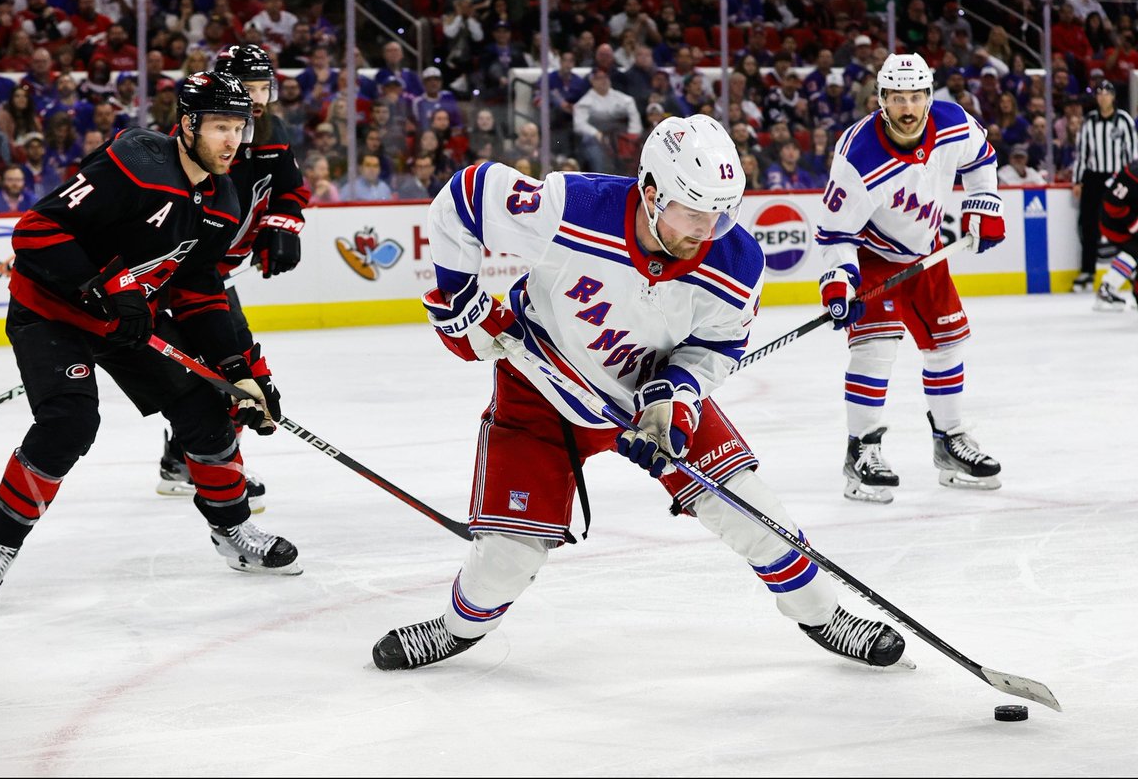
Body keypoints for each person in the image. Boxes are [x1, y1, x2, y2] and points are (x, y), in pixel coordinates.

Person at [370, 115, 910, 672]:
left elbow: (713, 350)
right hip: (539, 390)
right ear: (651, 192)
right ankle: (457, 628)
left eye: (721, 212)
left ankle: (824, 615)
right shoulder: (571, 208)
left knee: (751, 509)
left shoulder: (738, 261)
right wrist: (460, 293)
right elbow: (464, 197)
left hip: (643, 395)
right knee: (505, 560)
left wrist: (671, 403)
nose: (707, 228)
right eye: (693, 211)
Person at [0, 71, 301, 605]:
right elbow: (35, 231)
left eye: (240, 127)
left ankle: (232, 532)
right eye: (219, 127)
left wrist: (238, 369)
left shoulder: (222, 200)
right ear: (187, 124)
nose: (233, 141)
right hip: (51, 310)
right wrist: (98, 292)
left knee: (208, 412)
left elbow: (200, 291)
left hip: (128, 320)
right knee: (69, 422)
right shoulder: (134, 162)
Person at [814, 54, 1005, 504]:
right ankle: (862, 450)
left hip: (927, 252)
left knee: (947, 344)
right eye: (897, 97)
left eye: (916, 96)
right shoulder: (858, 156)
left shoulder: (954, 123)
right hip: (873, 256)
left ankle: (950, 441)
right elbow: (833, 232)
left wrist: (984, 203)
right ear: (881, 99)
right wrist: (840, 284)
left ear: (928, 95)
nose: (907, 107)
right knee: (875, 350)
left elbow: (982, 159)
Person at [155, 45, 310, 508]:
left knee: (228, 362)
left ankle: (181, 462)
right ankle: (217, 465)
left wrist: (281, 229)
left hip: (218, 271)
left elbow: (289, 191)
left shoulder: (273, 132)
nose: (258, 98)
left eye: (265, 87)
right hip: (186, 271)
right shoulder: (199, 137)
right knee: (234, 363)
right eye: (249, 87)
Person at [1071, 80, 1137, 292]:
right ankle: (1088, 270)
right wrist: (1077, 180)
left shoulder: (1125, 121)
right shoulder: (1089, 121)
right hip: (1093, 178)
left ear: (1113, 97)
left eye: (1107, 93)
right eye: (1099, 93)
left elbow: (1132, 154)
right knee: (1088, 225)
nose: (1102, 97)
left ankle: (1129, 272)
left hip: (1119, 180)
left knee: (1125, 226)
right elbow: (1082, 154)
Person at [1094, 157, 1138, 311]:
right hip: (1115, 223)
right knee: (1135, 250)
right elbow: (1112, 204)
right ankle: (1106, 290)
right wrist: (1134, 224)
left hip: (1129, 219)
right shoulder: (1133, 174)